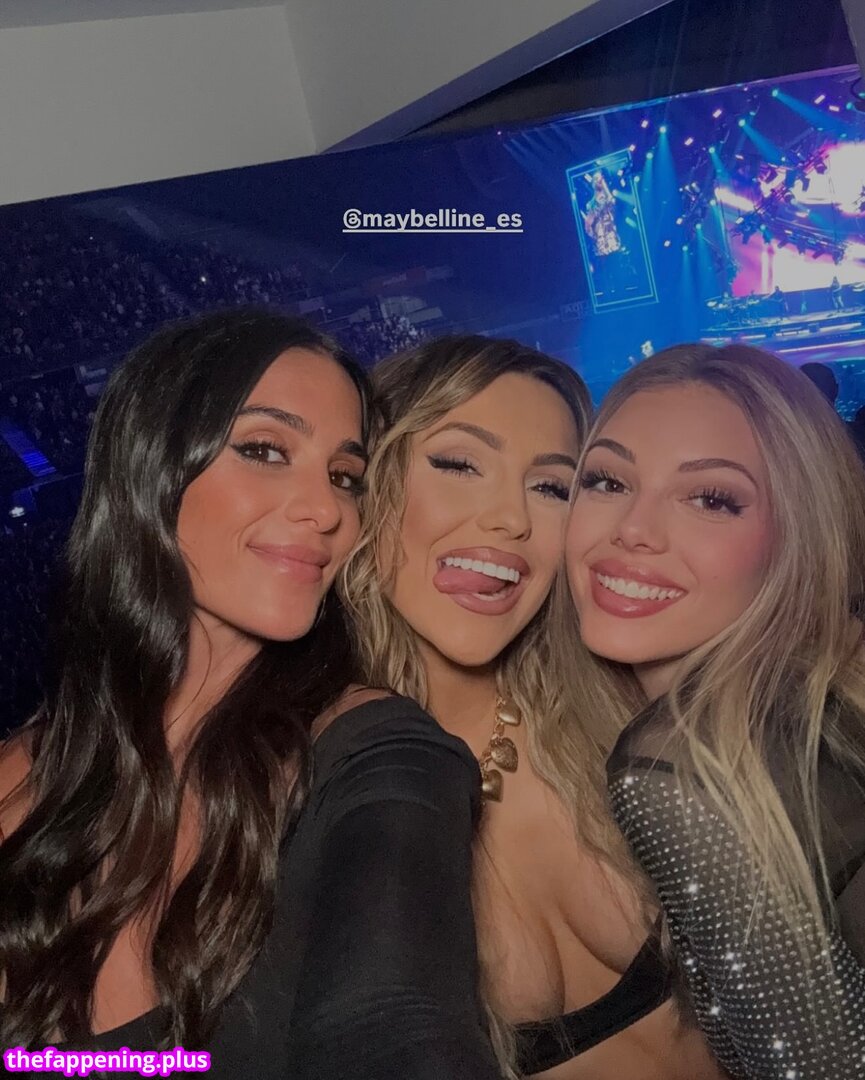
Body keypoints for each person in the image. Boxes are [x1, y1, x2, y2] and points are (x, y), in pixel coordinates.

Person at [0, 309, 499, 1079]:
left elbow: (395, 1023)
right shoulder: (19, 781)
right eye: (265, 450)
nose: (327, 510)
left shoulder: (375, 755)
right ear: (151, 466)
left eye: (344, 477)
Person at [341, 335, 721, 1079]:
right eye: (458, 464)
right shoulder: (313, 794)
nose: (510, 519)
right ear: (366, 481)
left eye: (551, 487)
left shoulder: (628, 705)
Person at [564, 342, 865, 1079]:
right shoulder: (822, 700)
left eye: (710, 499)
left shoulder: (675, 767)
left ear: (796, 536)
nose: (633, 528)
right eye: (607, 480)